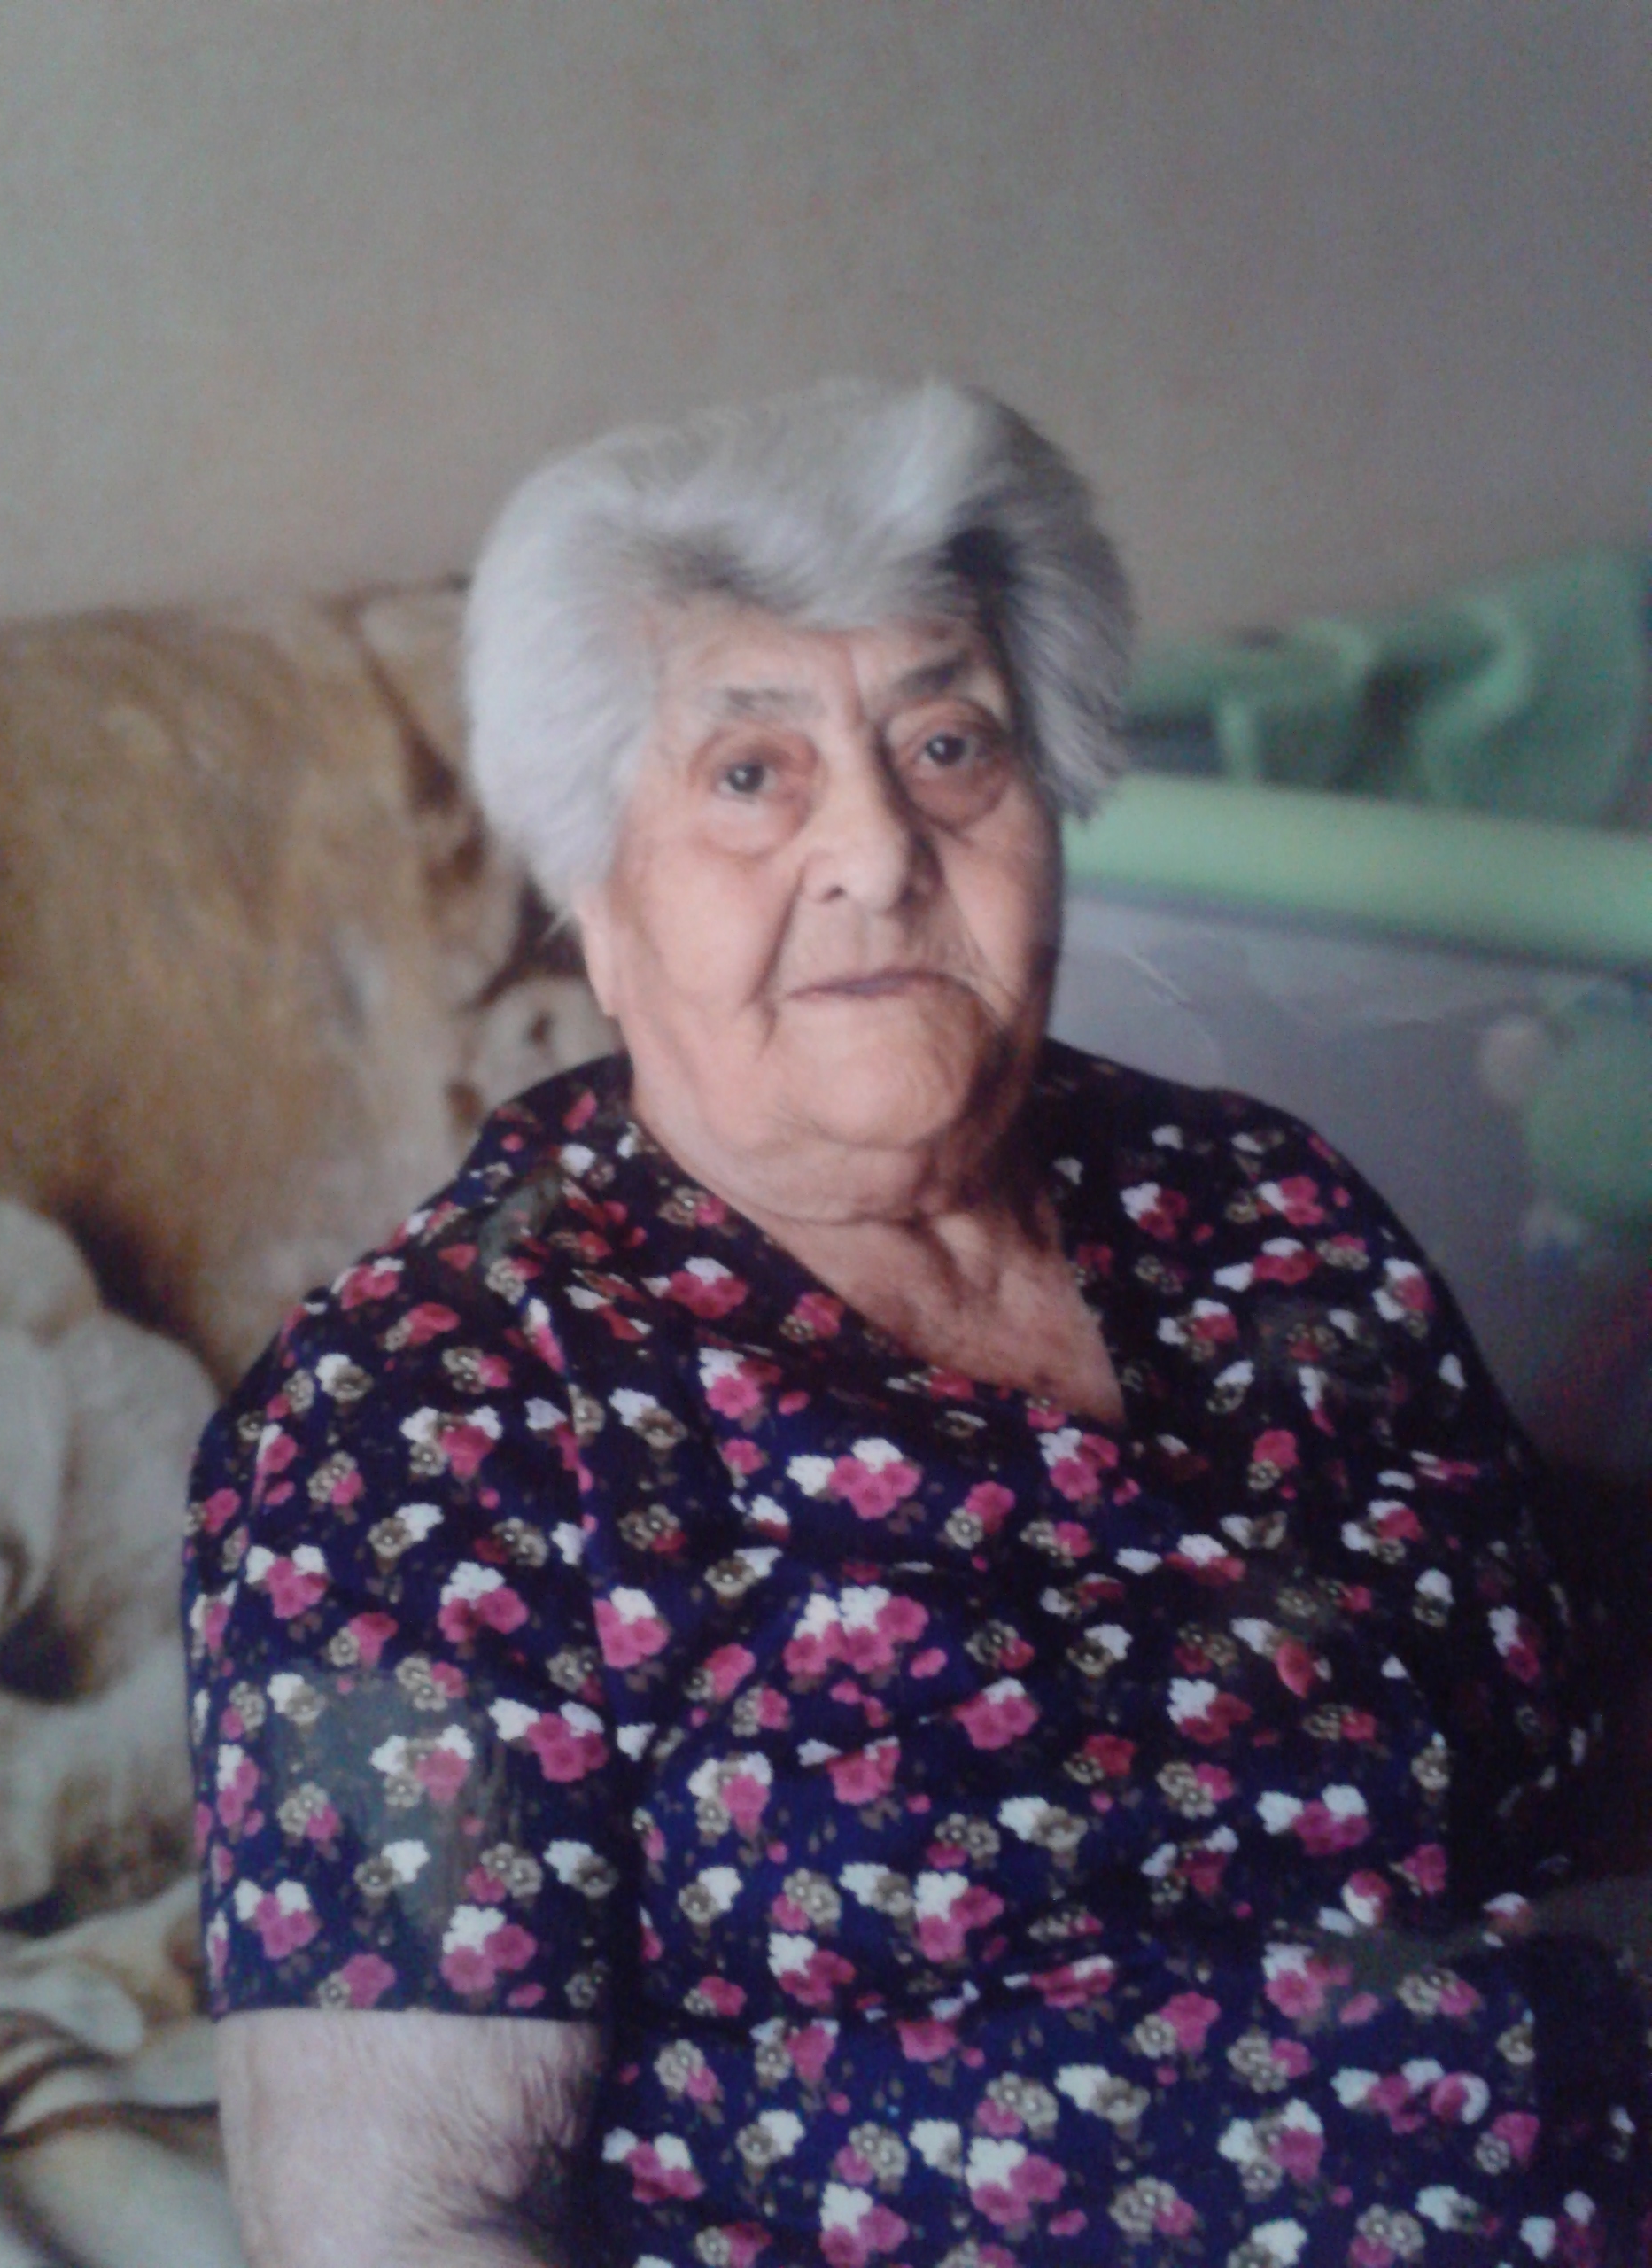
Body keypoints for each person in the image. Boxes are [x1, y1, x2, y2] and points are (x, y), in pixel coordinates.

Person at [183, 379, 1649, 2267]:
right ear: (592, 888)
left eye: (948, 744)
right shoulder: (429, 1423)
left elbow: (1579, 1788)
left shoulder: (1269, 1208)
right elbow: (400, 2228)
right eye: (750, 773)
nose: (876, 850)